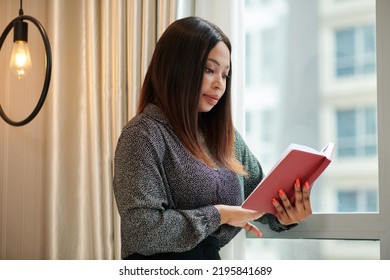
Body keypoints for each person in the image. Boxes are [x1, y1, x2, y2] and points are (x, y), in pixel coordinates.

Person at [113, 16, 312, 260]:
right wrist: (220, 215)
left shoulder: (227, 139)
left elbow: (261, 201)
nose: (220, 84)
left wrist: (287, 212)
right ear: (176, 68)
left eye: (225, 75)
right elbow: (141, 231)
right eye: (209, 70)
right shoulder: (143, 135)